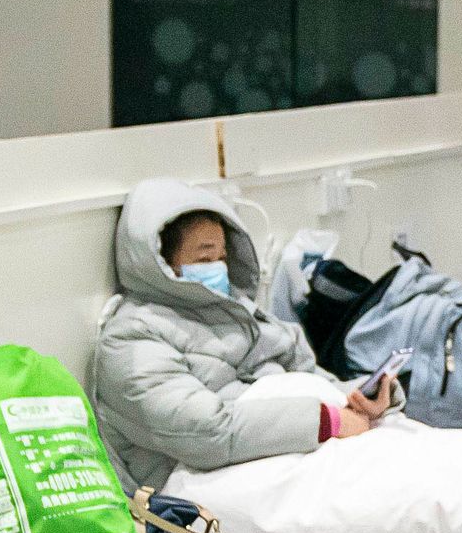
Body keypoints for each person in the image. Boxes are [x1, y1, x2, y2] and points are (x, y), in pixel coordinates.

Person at [93, 178, 393, 490]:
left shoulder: (239, 311)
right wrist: (326, 421)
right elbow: (207, 433)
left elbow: (306, 373)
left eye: (223, 258)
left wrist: (360, 396)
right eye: (204, 259)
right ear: (159, 263)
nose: (218, 268)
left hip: (295, 446)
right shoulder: (132, 338)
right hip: (209, 480)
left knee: (419, 461)